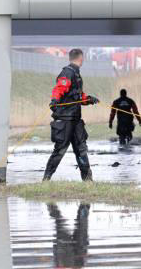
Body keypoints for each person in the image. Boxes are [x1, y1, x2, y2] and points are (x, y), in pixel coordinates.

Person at [43, 49, 99, 182]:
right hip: (65, 120)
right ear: (80, 58)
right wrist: (54, 101)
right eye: (83, 58)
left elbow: (77, 96)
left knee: (81, 149)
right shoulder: (67, 72)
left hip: (76, 120)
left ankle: (88, 181)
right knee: (60, 151)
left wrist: (89, 99)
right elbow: (59, 88)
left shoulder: (76, 73)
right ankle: (45, 180)